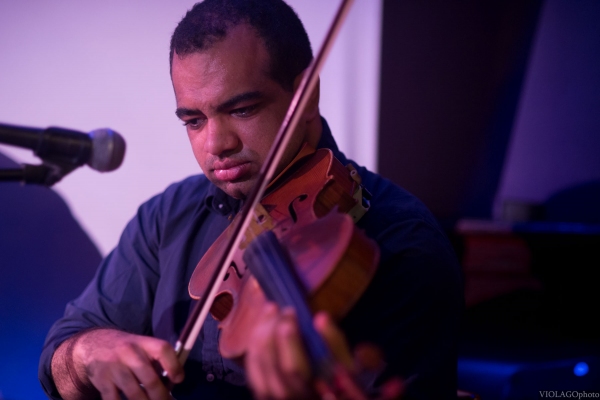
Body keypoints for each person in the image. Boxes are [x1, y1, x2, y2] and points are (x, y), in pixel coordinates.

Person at [39, 0, 464, 399]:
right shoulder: (167, 218)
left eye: (242, 110)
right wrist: (87, 354)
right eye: (193, 120)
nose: (216, 143)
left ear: (307, 96)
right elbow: (59, 353)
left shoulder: (403, 243)